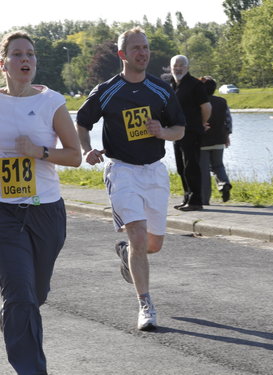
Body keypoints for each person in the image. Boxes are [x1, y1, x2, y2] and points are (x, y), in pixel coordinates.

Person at [76, 27, 185, 331]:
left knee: (153, 245)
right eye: (136, 48)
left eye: (146, 47)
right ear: (123, 54)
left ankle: (127, 254)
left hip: (154, 172)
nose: (143, 53)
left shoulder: (161, 90)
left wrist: (162, 132)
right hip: (122, 171)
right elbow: (82, 122)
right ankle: (145, 304)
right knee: (138, 235)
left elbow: (180, 129)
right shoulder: (107, 90)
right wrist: (87, 150)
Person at [0, 31, 82, 374]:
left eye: (30, 55)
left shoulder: (51, 102)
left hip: (46, 211)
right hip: (4, 212)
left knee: (35, 293)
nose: (25, 60)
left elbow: (75, 156)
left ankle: (16, 316)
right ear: (3, 62)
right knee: (20, 293)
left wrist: (40, 152)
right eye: (17, 54)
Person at [170, 55, 211, 211]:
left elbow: (207, 108)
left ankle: (195, 201)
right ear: (171, 67)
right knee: (181, 167)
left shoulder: (195, 85)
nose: (178, 68)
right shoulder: (172, 84)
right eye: (175, 65)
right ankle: (187, 197)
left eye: (181, 65)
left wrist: (200, 124)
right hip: (176, 131)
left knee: (191, 166)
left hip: (191, 131)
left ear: (187, 67)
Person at [199, 76, 232, 205]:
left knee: (204, 171)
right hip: (219, 139)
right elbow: (228, 120)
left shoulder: (198, 103)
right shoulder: (222, 101)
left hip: (202, 141)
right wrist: (227, 135)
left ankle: (204, 199)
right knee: (218, 165)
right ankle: (224, 183)